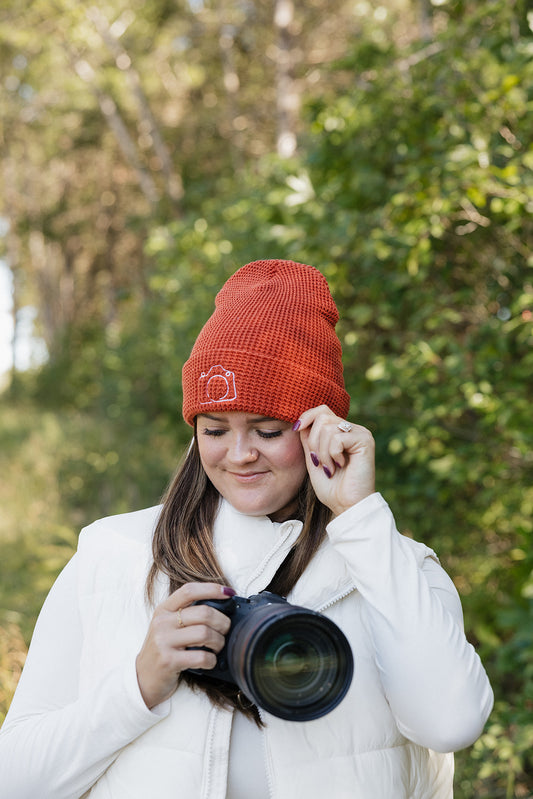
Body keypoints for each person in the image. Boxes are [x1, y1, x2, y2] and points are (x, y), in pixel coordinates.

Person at [0, 259, 493, 799]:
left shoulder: (391, 565)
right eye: (214, 429)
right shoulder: (114, 554)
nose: (239, 455)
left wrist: (360, 517)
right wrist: (138, 686)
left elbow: (451, 724)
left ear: (319, 427)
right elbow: (15, 780)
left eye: (267, 430)